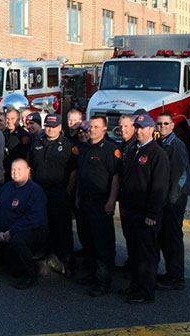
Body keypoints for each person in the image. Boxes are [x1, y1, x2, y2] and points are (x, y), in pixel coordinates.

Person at [119, 113, 170, 304]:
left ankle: (146, 291)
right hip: (131, 211)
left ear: (151, 130)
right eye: (137, 128)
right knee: (133, 251)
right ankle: (135, 285)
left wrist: (152, 214)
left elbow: (159, 188)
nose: (139, 131)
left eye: (142, 128)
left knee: (146, 254)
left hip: (145, 214)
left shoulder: (158, 154)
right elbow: (127, 180)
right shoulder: (134, 151)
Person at [74, 115, 120, 297]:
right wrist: (78, 195)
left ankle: (103, 281)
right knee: (88, 242)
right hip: (85, 201)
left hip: (101, 204)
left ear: (104, 129)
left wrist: (111, 201)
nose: (91, 130)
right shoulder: (85, 148)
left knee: (103, 244)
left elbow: (116, 178)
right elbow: (81, 175)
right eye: (90, 127)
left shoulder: (111, 150)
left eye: (95, 127)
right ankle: (92, 275)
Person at [28, 113, 78, 278]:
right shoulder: (36, 144)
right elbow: (31, 168)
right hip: (40, 191)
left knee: (62, 228)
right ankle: (44, 258)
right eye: (48, 125)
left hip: (59, 192)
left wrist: (68, 191)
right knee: (43, 225)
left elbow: (73, 171)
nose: (50, 129)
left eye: (54, 126)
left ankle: (67, 262)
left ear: (60, 127)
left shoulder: (68, 146)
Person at [0, 159, 48, 289]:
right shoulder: (6, 187)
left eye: (19, 169)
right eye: (13, 170)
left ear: (28, 171)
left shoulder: (35, 190)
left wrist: (11, 231)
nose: (15, 173)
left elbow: (34, 219)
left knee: (18, 240)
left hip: (30, 231)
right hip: (6, 231)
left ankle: (31, 274)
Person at [156, 113, 190, 291]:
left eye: (166, 124)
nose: (162, 126)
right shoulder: (163, 144)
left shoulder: (176, 146)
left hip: (174, 201)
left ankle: (176, 277)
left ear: (172, 126)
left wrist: (171, 200)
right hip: (167, 200)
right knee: (167, 238)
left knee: (173, 238)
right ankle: (171, 273)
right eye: (159, 124)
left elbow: (180, 175)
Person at [116, 114, 138, 273]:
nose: (122, 129)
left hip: (134, 199)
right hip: (124, 197)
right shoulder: (124, 145)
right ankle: (131, 262)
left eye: (126, 126)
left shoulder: (135, 146)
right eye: (121, 126)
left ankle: (136, 269)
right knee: (128, 233)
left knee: (134, 235)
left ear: (133, 127)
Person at [3, 107, 30, 182]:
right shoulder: (4, 133)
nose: (9, 121)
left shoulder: (23, 136)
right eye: (7, 119)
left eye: (12, 118)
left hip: (17, 174)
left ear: (18, 120)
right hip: (5, 172)